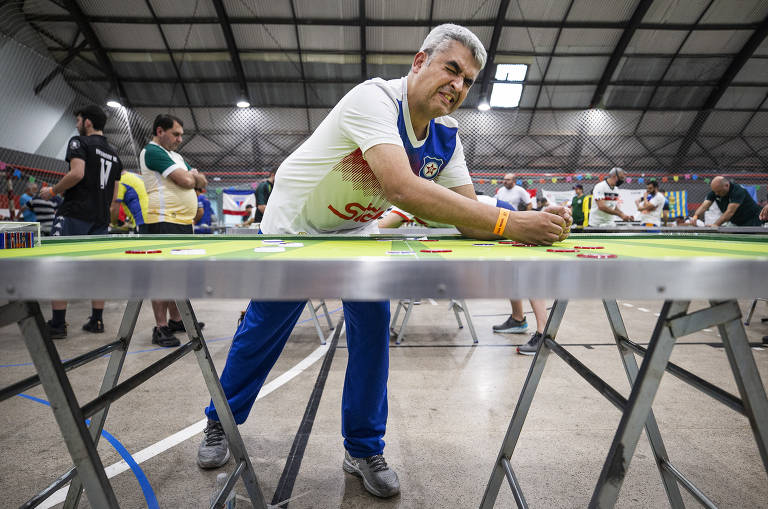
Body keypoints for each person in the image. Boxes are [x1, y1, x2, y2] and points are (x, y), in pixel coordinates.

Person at [196, 24, 571, 500]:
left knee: (373, 329)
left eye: (468, 81)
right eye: (450, 69)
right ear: (419, 62)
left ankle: (363, 447)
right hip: (296, 227)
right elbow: (400, 188)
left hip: (356, 233)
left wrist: (529, 221)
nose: (458, 86)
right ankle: (219, 423)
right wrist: (511, 224)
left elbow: (470, 216)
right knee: (265, 328)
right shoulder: (373, 100)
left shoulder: (446, 137)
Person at [41, 105, 123, 338]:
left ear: (87, 122)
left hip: (75, 211)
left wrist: (53, 191)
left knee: (61, 265)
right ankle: (97, 320)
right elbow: (114, 195)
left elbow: (77, 173)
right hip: (100, 215)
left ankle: (57, 324)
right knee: (97, 268)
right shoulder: (114, 153)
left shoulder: (79, 143)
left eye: (78, 119)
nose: (77, 124)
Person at [140, 114, 207, 347]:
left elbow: (202, 180)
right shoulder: (153, 151)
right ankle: (160, 327)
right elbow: (188, 181)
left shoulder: (175, 156)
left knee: (177, 275)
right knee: (161, 276)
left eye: (181, 134)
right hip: (162, 220)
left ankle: (177, 319)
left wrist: (194, 178)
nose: (180, 139)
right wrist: (192, 178)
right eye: (175, 134)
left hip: (181, 222)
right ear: (160, 131)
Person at [690, 176, 763, 227]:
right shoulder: (716, 191)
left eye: (718, 191)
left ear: (727, 185)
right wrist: (695, 216)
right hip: (736, 222)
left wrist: (715, 225)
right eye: (715, 191)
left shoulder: (738, 191)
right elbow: (704, 206)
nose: (716, 194)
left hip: (753, 220)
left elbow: (729, 212)